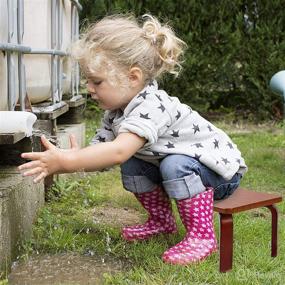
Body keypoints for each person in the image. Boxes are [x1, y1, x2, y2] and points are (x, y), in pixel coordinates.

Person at [19, 14, 247, 265]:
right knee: (133, 165)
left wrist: (66, 163)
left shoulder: (153, 105)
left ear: (133, 77)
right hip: (185, 173)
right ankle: (162, 223)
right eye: (87, 80)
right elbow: (105, 154)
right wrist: (75, 156)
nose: (90, 88)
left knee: (173, 164)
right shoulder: (116, 111)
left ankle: (202, 237)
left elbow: (118, 151)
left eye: (97, 81)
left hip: (220, 176)